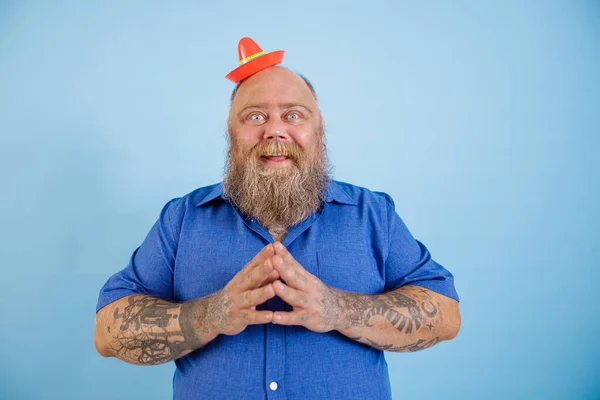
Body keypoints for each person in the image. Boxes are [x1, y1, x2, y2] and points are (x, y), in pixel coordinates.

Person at [94, 38, 461, 400]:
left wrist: (337, 310)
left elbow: (444, 315)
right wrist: (212, 314)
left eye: (293, 115)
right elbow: (108, 332)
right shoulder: (182, 218)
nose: (274, 130)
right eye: (255, 116)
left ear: (318, 130)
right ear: (230, 134)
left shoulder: (373, 214)